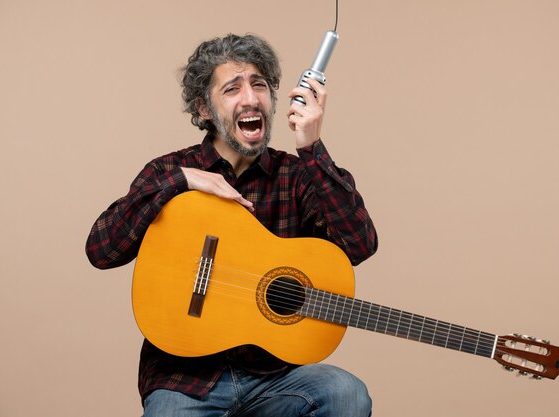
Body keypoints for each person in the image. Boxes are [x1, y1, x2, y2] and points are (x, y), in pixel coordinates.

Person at [86, 33, 378, 417]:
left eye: (259, 85)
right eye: (232, 88)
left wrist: (311, 147)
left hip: (275, 379)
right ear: (204, 108)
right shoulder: (169, 171)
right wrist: (181, 182)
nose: (251, 98)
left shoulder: (297, 175)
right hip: (185, 381)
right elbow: (101, 250)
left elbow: (360, 245)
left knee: (346, 394)